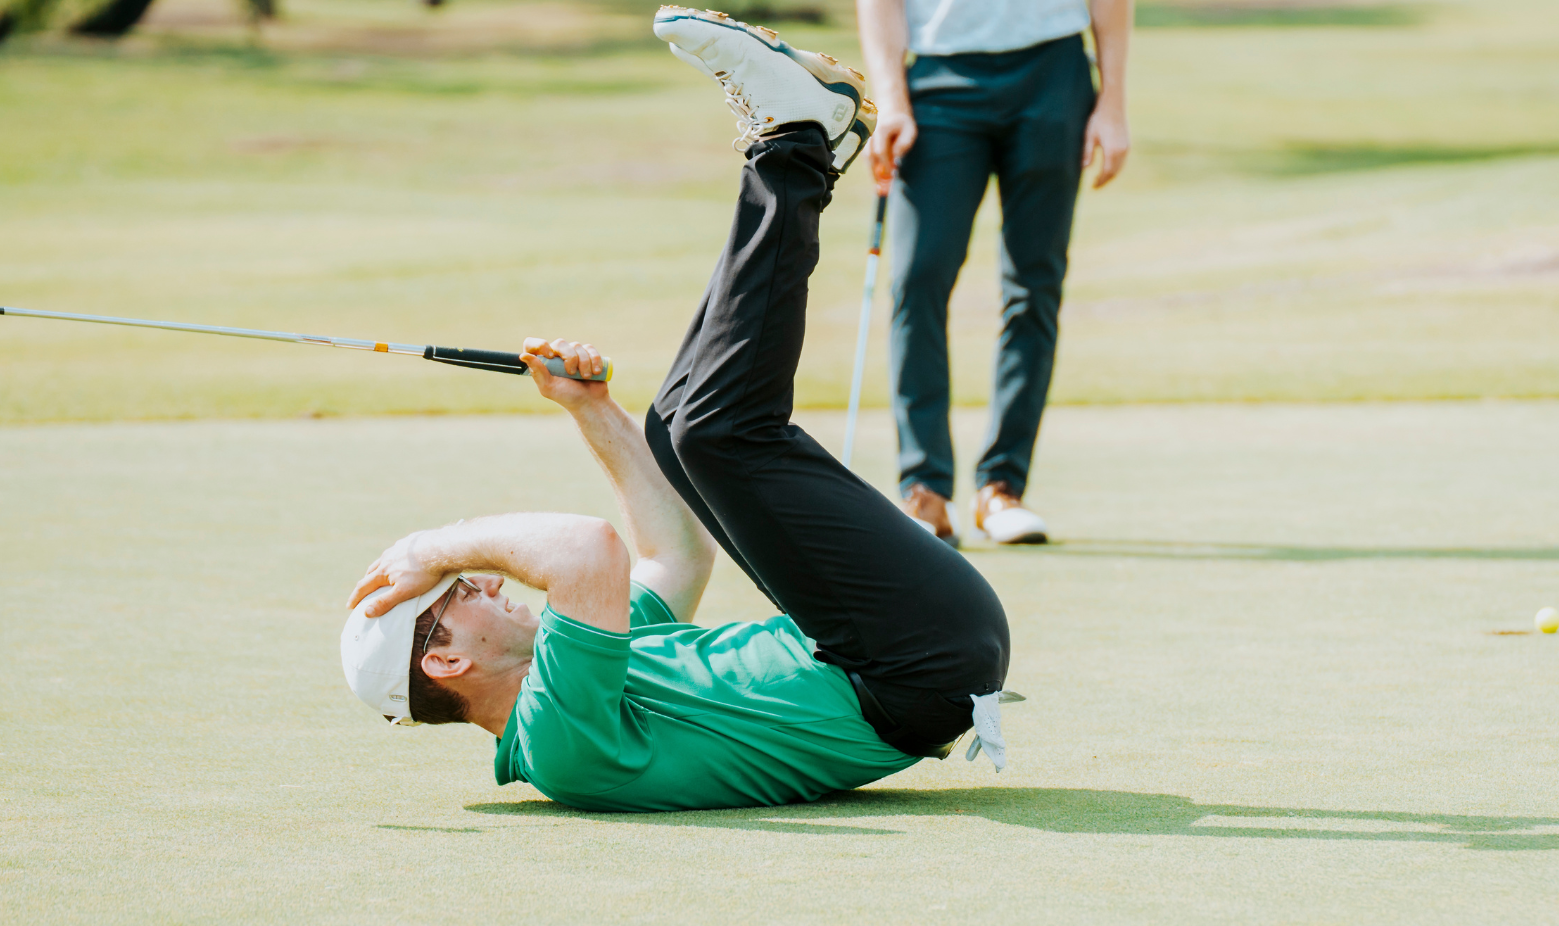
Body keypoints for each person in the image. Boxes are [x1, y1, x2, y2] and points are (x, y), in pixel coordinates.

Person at [338, 7, 1016, 814]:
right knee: (718, 433)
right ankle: (794, 143)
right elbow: (589, 552)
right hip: (909, 667)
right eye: (456, 594)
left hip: (891, 651)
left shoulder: (576, 671)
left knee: (677, 424)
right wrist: (432, 546)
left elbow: (679, 556)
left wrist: (593, 411)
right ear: (446, 663)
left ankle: (803, 143)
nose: (480, 581)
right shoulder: (559, 739)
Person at [857, 0, 1131, 546]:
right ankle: (925, 490)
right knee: (917, 280)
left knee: (1034, 285)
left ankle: (1001, 487)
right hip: (937, 79)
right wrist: (890, 99)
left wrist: (1113, 103)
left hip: (1053, 75)